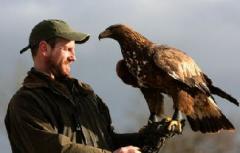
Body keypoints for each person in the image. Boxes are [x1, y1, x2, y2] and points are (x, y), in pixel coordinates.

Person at [5, 19, 143, 153]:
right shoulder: (26, 103)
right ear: (44, 48)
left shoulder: (85, 95)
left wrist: (144, 138)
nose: (73, 57)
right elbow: (56, 149)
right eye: (68, 49)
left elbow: (107, 140)